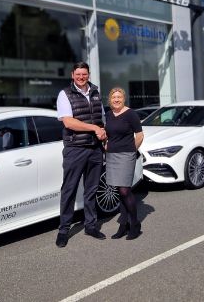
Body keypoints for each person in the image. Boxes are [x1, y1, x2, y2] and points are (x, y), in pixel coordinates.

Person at [55, 62, 107, 248]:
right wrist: (94, 128)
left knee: (91, 189)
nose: (81, 77)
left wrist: (104, 135)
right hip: (75, 149)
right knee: (69, 189)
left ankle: (90, 225)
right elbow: (69, 122)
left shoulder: (95, 92)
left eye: (84, 74)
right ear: (72, 75)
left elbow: (102, 119)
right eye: (78, 74)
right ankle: (63, 230)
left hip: (95, 149)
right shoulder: (65, 94)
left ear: (88, 75)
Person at [104, 87, 145, 240]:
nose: (116, 99)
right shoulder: (107, 115)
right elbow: (106, 133)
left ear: (124, 98)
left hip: (127, 155)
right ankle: (123, 225)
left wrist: (131, 150)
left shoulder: (131, 114)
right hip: (112, 155)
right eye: (114, 97)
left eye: (119, 97)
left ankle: (134, 224)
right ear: (110, 99)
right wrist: (106, 145)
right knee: (119, 191)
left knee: (125, 191)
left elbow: (140, 135)